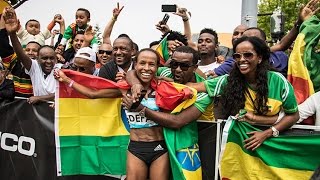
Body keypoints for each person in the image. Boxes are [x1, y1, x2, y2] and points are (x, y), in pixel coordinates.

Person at [55, 48, 170, 180]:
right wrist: (66, 80)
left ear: (157, 67)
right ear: (135, 65)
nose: (146, 68)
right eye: (142, 63)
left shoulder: (164, 87)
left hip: (159, 147)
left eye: (151, 64)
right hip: (135, 148)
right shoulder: (124, 89)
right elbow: (93, 94)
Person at [189, 36, 299, 151]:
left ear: (259, 58)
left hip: (273, 148)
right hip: (240, 148)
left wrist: (266, 133)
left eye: (248, 55)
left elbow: (293, 115)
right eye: (237, 56)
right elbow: (193, 87)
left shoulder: (278, 81)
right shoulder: (228, 81)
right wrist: (169, 77)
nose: (241, 59)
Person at [4, 6, 56, 104]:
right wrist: (12, 34)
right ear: (39, 58)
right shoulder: (34, 68)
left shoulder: (59, 70)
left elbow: (63, 92)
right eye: (44, 58)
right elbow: (20, 54)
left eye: (51, 58)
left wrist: (40, 98)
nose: (48, 61)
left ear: (56, 59)